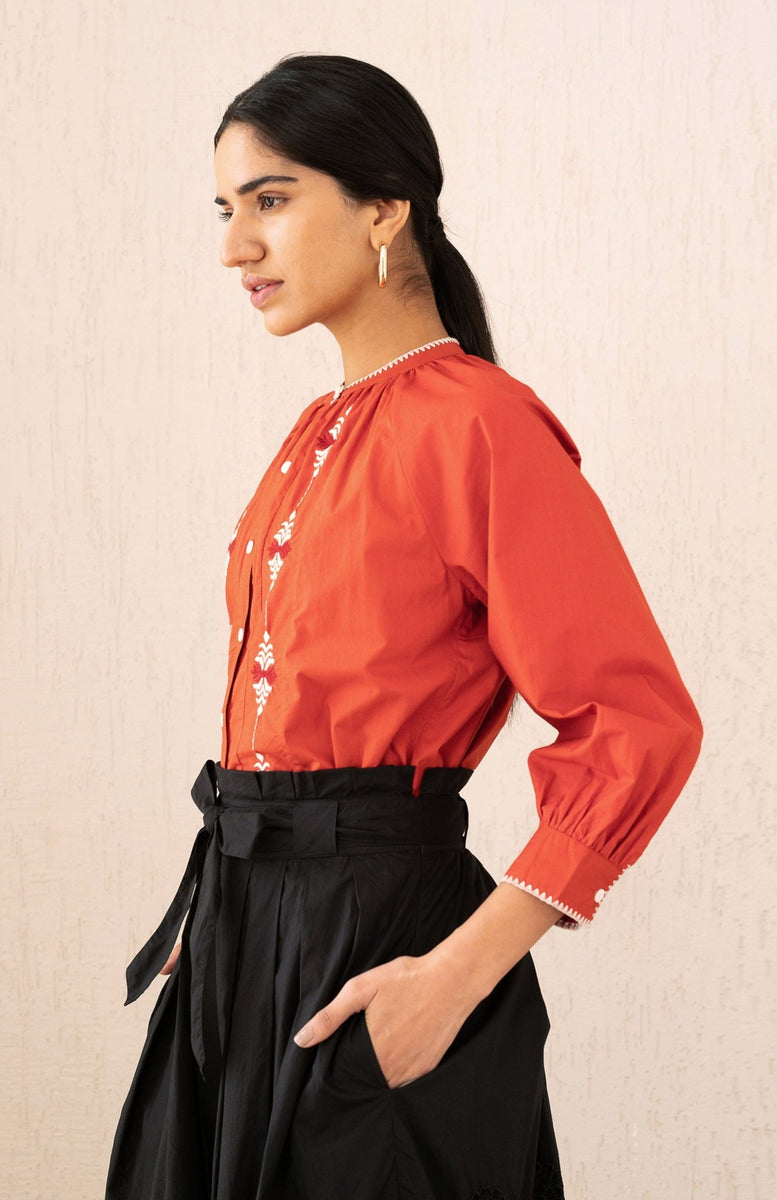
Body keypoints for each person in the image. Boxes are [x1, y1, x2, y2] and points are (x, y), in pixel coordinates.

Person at [105, 53, 702, 1200]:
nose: (235, 247)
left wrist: (459, 977)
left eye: (270, 201)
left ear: (384, 207)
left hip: (384, 945)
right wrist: (231, 909)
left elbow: (635, 721)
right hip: (238, 940)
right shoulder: (313, 433)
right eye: (225, 212)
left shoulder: (480, 427)